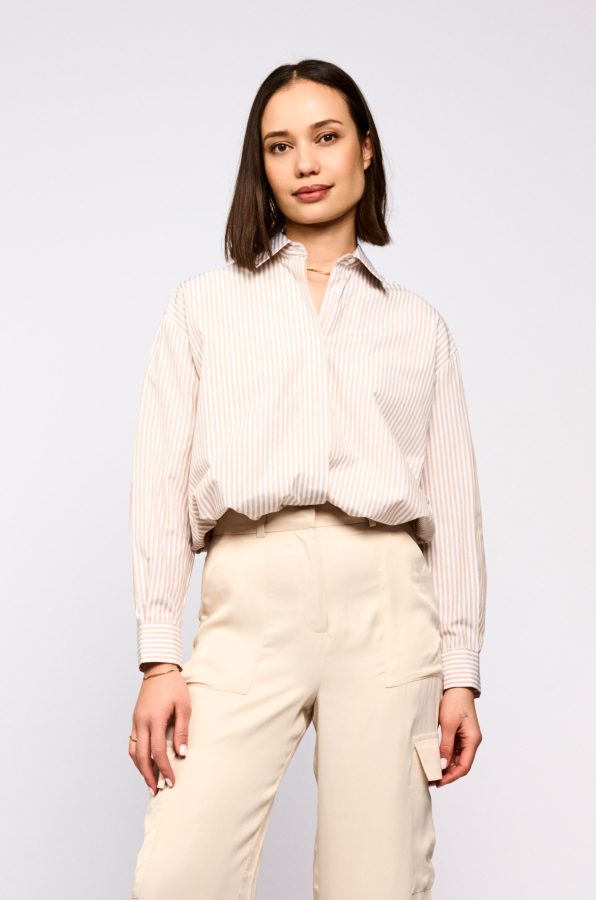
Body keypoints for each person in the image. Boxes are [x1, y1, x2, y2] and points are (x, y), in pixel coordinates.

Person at [128, 58, 486, 900]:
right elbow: (159, 485)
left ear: (366, 149)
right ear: (261, 165)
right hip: (250, 594)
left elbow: (455, 509)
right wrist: (158, 658)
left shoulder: (418, 326)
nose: (305, 163)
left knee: (379, 882)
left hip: (386, 602)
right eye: (280, 145)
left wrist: (460, 670)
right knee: (180, 874)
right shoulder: (203, 308)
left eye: (326, 137)